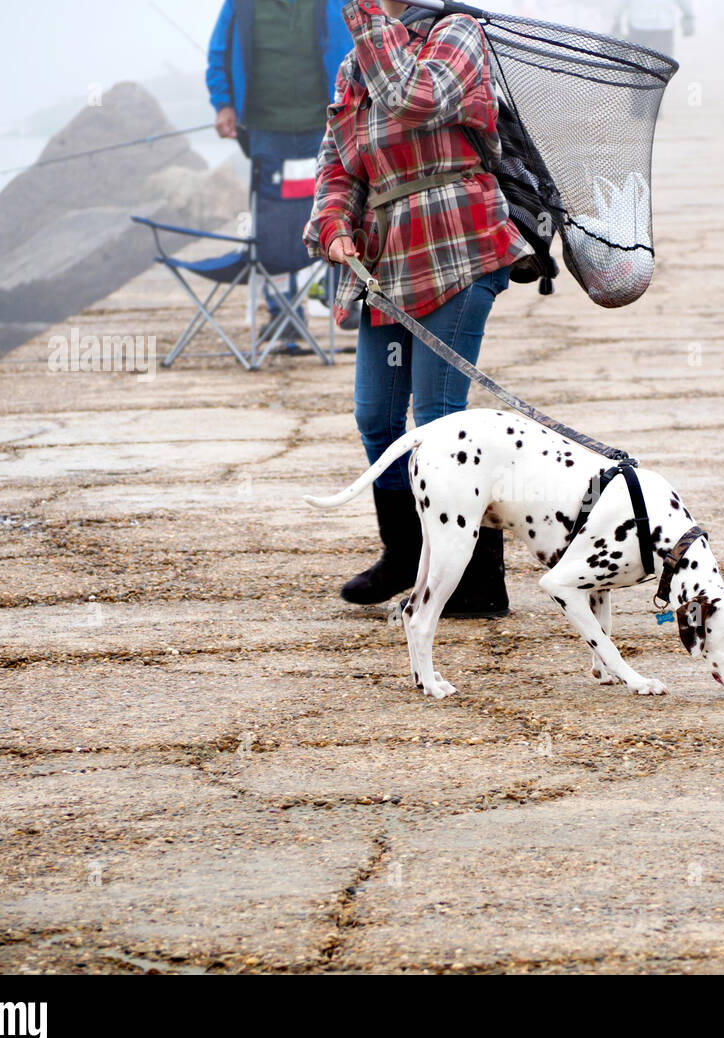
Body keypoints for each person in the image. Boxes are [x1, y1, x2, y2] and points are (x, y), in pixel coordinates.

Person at [304, 0, 533, 617]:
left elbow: (415, 96)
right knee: (378, 418)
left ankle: (476, 582)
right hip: (389, 264)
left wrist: (369, 21)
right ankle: (406, 553)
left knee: (439, 422)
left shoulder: (458, 34)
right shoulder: (356, 63)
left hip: (460, 246)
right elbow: (339, 163)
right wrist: (332, 224)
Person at [206, 0, 357, 336]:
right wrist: (224, 105)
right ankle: (283, 312)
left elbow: (361, 42)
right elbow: (219, 53)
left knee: (337, 207)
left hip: (327, 125)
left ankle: (343, 296)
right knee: (272, 222)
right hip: (265, 131)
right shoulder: (240, 4)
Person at [614, 0, 693, 57]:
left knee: (638, 62)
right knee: (663, 63)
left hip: (639, 24)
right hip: (663, 25)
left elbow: (621, 3)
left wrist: (616, 19)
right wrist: (688, 16)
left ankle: (639, 78)